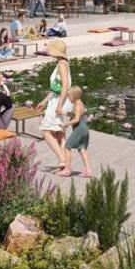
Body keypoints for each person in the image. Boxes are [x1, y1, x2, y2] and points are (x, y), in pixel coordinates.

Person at [38, 40, 72, 171]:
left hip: (59, 101)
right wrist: (44, 101)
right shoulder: (61, 63)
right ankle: (64, 163)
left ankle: (62, 159)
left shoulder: (62, 65)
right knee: (59, 133)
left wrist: (59, 105)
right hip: (56, 99)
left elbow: (64, 87)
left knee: (46, 131)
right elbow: (55, 88)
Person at [56, 86, 91, 178]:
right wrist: (63, 112)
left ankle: (67, 170)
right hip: (84, 129)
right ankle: (88, 170)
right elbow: (74, 114)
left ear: (74, 96)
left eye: (69, 96)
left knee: (67, 146)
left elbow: (76, 119)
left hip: (80, 128)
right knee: (82, 149)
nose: (68, 98)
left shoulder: (78, 105)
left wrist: (66, 123)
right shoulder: (79, 103)